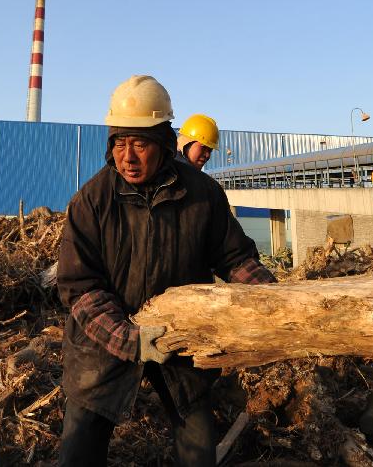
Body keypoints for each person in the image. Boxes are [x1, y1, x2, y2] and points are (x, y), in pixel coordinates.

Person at [56, 75, 277, 467]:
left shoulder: (202, 194)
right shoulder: (92, 201)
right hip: (105, 345)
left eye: (140, 144)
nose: (129, 157)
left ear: (163, 142)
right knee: (79, 450)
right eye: (120, 144)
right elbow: (80, 287)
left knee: (197, 450)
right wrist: (128, 338)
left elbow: (235, 259)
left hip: (181, 340)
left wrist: (276, 302)